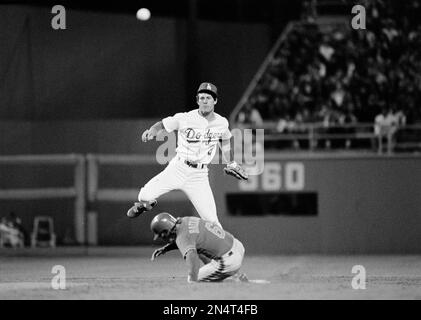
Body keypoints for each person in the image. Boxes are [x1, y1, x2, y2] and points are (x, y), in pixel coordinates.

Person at [126, 82, 248, 226]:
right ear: (197, 100)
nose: (205, 101)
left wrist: (231, 162)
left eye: (208, 98)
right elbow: (162, 124)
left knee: (212, 222)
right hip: (178, 167)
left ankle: (227, 248)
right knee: (144, 196)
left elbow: (225, 140)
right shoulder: (185, 118)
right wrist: (152, 131)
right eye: (201, 98)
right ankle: (145, 205)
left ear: (215, 100)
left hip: (199, 175)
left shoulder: (222, 123)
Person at [150, 212, 248, 283]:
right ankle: (230, 274)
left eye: (161, 235)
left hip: (229, 260)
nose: (162, 238)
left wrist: (193, 280)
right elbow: (189, 239)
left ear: (165, 232)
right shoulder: (185, 220)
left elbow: (192, 258)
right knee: (198, 249)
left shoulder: (182, 237)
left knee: (195, 279)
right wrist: (166, 248)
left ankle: (236, 279)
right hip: (237, 245)